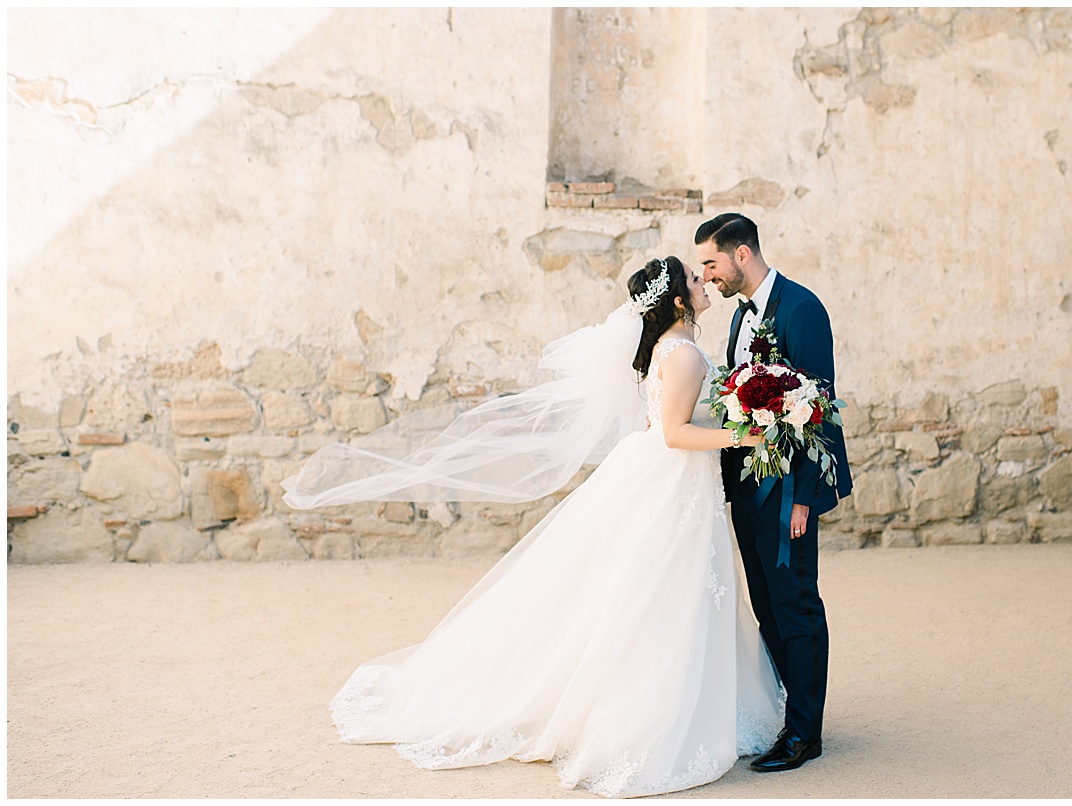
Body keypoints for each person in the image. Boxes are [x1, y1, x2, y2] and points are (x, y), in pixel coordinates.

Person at [284, 257, 785, 797]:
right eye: (694, 278)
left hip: (667, 479)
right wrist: (744, 437)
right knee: (662, 590)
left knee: (656, 589)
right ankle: (647, 710)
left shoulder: (667, 348)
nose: (704, 282)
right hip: (670, 479)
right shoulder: (683, 352)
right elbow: (671, 433)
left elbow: (656, 422)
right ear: (679, 301)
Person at [694, 213, 853, 773]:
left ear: (741, 255)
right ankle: (792, 709)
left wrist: (806, 499)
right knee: (766, 605)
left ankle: (805, 735)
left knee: (797, 604)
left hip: (788, 493)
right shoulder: (740, 316)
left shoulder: (802, 308)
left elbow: (820, 406)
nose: (705, 275)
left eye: (711, 263)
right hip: (746, 487)